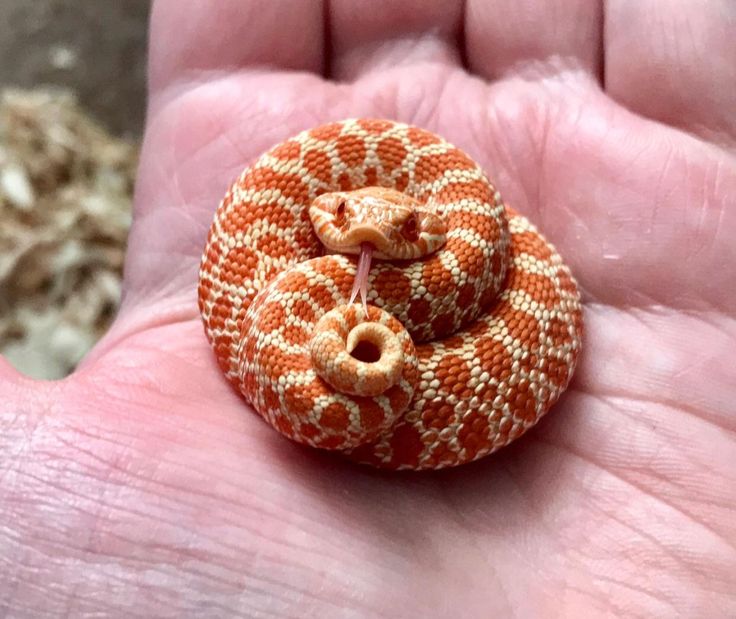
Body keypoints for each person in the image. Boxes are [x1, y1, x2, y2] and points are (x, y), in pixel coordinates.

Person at [1, 1, 734, 616]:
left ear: (431, 223)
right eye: (350, 214)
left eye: (405, 229)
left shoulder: (466, 237)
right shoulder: (308, 231)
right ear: (328, 206)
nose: (368, 238)